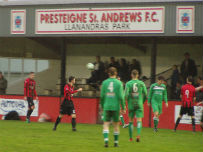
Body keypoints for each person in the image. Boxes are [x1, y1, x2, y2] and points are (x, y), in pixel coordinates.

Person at [100, 67, 126, 147]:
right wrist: (123, 107)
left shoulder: (104, 83)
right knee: (116, 125)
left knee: (106, 124)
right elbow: (121, 97)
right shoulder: (119, 83)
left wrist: (102, 106)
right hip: (116, 107)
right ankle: (116, 143)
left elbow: (102, 96)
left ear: (108, 73)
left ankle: (106, 141)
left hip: (107, 106)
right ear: (116, 73)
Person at [125, 70, 147, 142]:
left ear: (131, 75)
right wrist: (142, 101)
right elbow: (146, 94)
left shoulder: (128, 83)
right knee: (139, 120)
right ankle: (138, 136)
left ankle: (130, 138)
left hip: (131, 103)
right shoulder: (141, 83)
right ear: (138, 75)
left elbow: (126, 95)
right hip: (139, 103)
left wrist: (127, 101)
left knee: (130, 121)